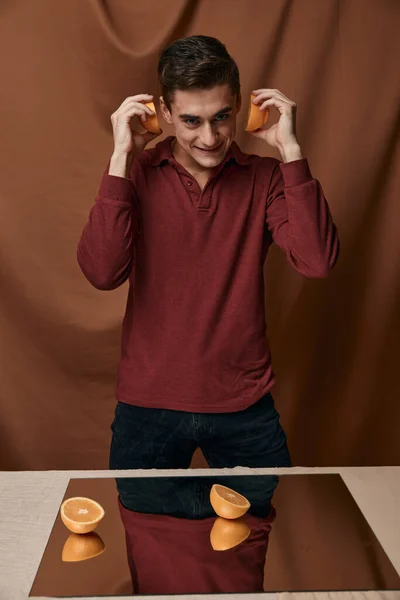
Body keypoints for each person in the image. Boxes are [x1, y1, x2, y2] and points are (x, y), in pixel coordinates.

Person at [77, 35, 339, 487]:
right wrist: (121, 156)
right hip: (148, 406)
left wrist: (290, 150)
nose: (210, 137)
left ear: (238, 104)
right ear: (164, 114)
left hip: (244, 405)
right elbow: (103, 272)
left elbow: (317, 262)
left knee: (252, 547)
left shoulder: (266, 178)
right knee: (151, 549)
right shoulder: (136, 175)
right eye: (191, 121)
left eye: (221, 117)